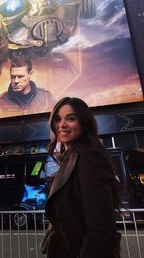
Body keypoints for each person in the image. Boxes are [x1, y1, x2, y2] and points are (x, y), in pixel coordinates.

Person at [43, 97, 121, 258]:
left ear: (84, 123)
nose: (62, 125)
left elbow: (101, 233)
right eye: (58, 119)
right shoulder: (70, 158)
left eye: (71, 119)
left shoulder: (90, 158)